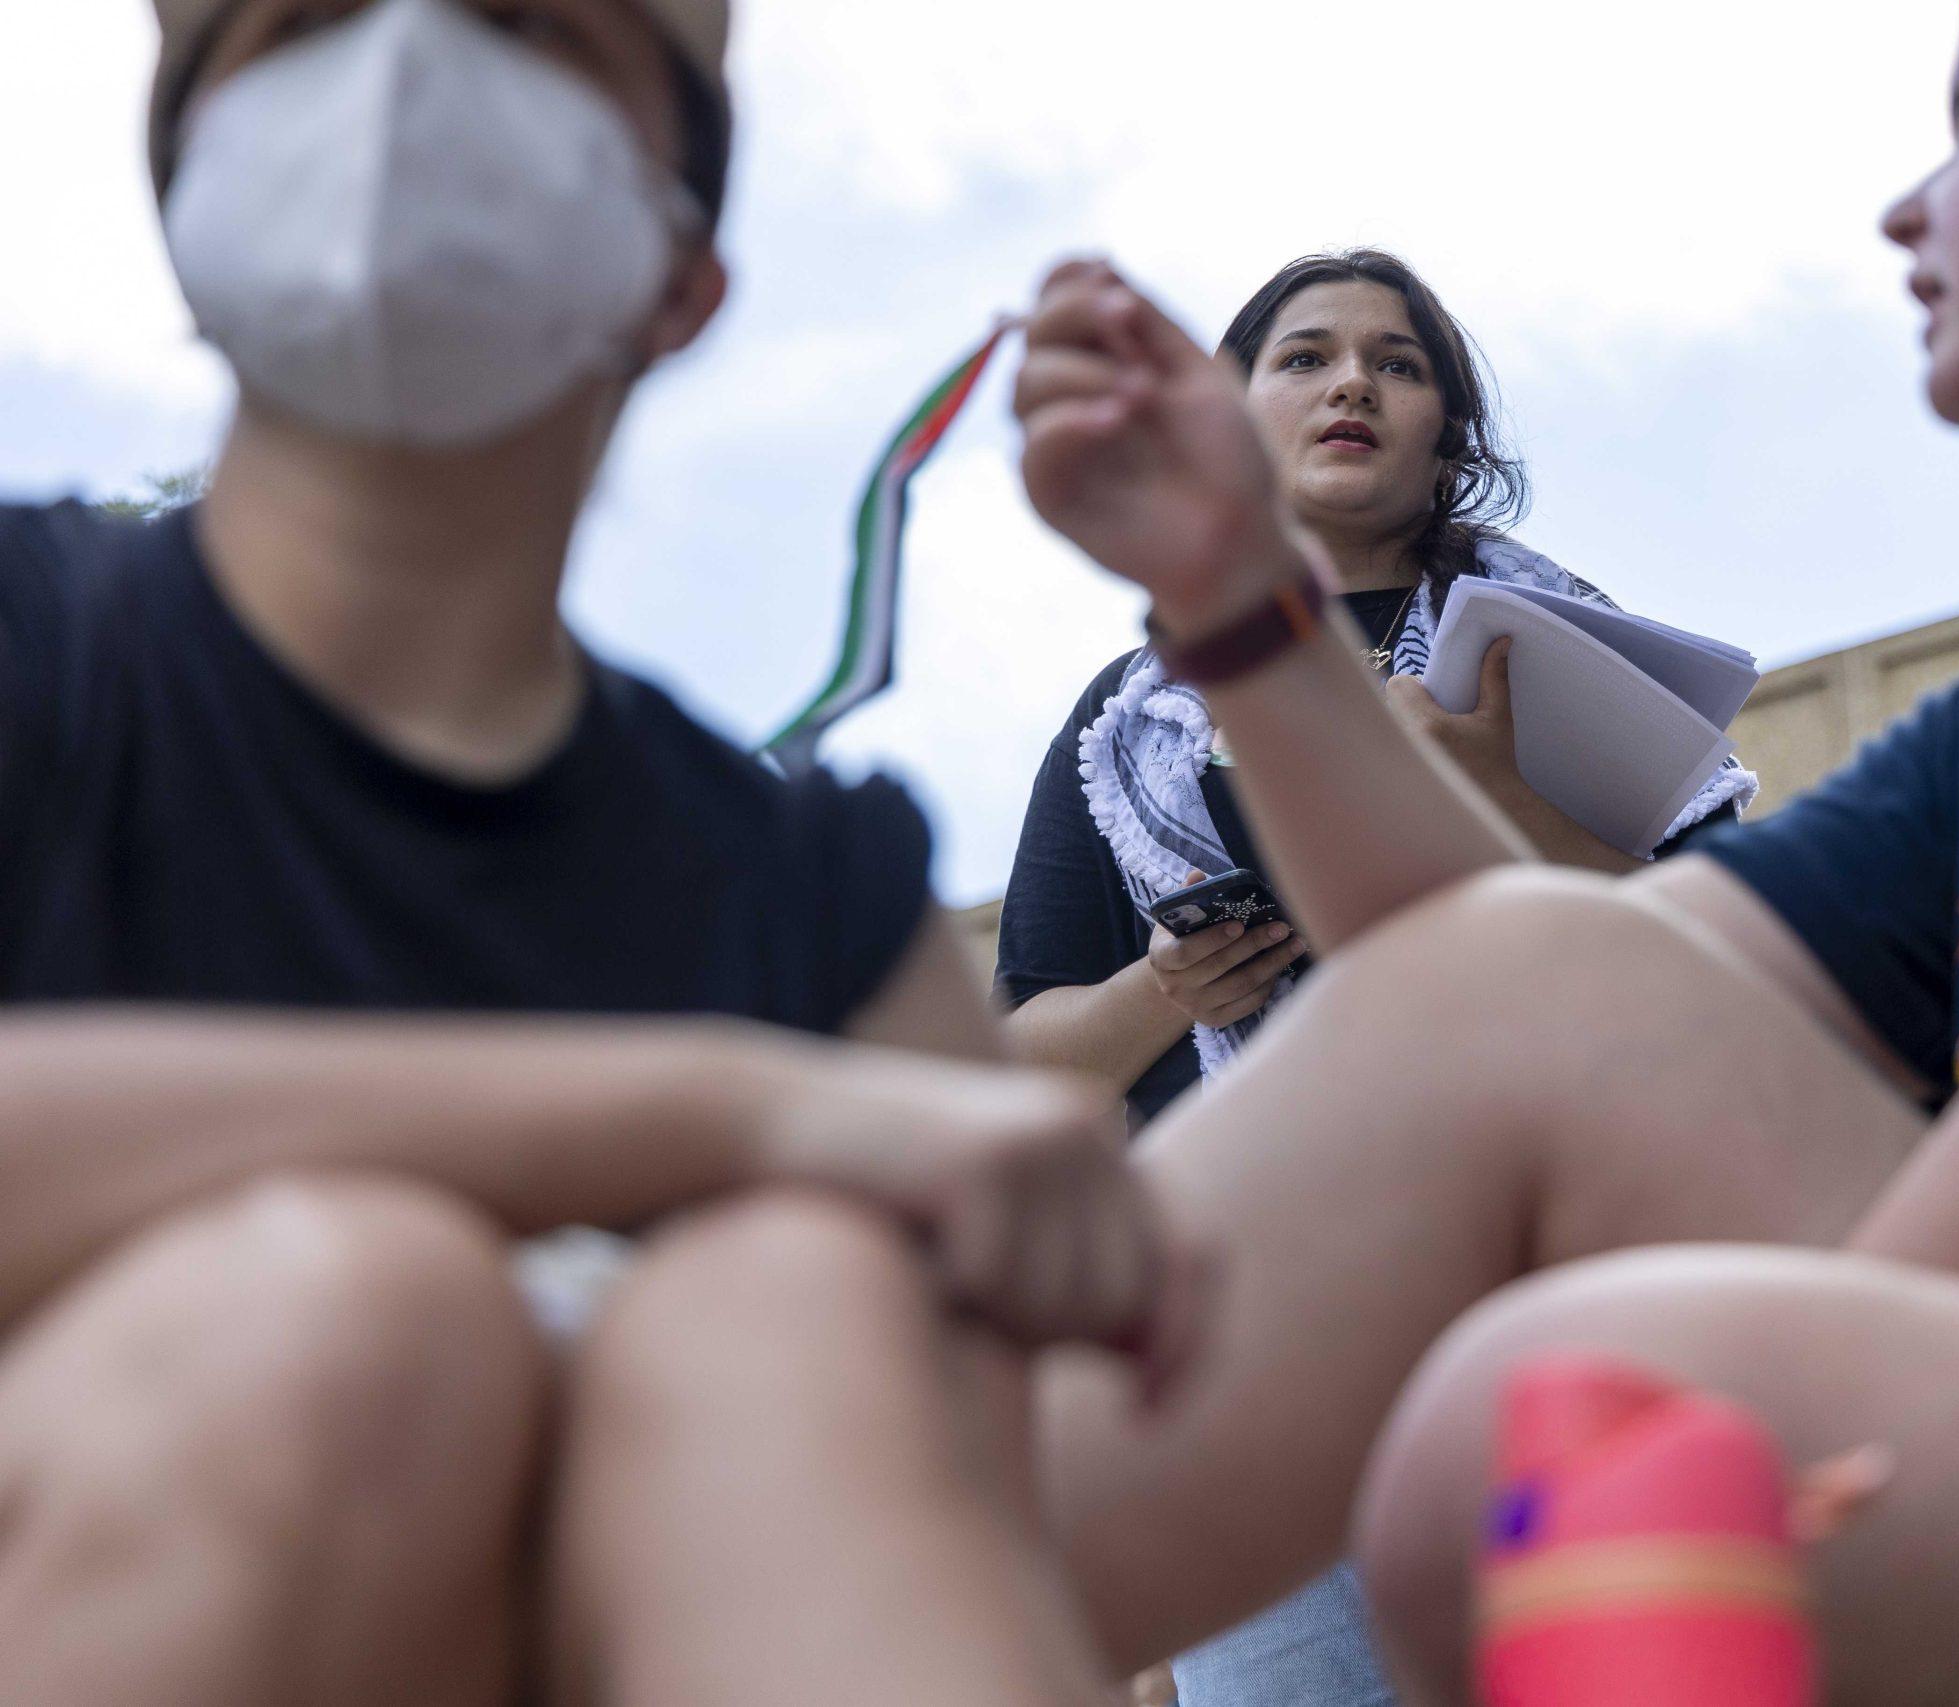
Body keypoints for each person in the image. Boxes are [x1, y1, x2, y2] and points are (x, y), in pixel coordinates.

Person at [1010, 0, 1959, 1699]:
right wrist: (1239, 604)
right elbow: (1522, 1009)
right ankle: (877, 1567)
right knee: (1526, 1040)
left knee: (1510, 1433)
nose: (1910, 207)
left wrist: (1792, 1376)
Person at [0, 3, 1182, 1701]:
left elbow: (995, 1509)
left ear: (685, 276)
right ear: (182, 201)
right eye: (307, 22)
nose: (405, 67)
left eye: (526, 23)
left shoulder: (820, 905)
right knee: (350, 1317)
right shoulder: (38, 650)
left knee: (788, 1306)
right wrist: (721, 1107)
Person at [996, 250, 1755, 1130]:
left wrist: (1505, 800)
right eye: (1304, 359)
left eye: (1398, 365)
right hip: (1237, 1225)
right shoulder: (1132, 718)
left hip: (1541, 1175)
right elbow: (1018, 1061)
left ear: (1449, 441)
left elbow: (1737, 944)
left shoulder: (1556, 643)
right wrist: (1171, 986)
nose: (1352, 384)